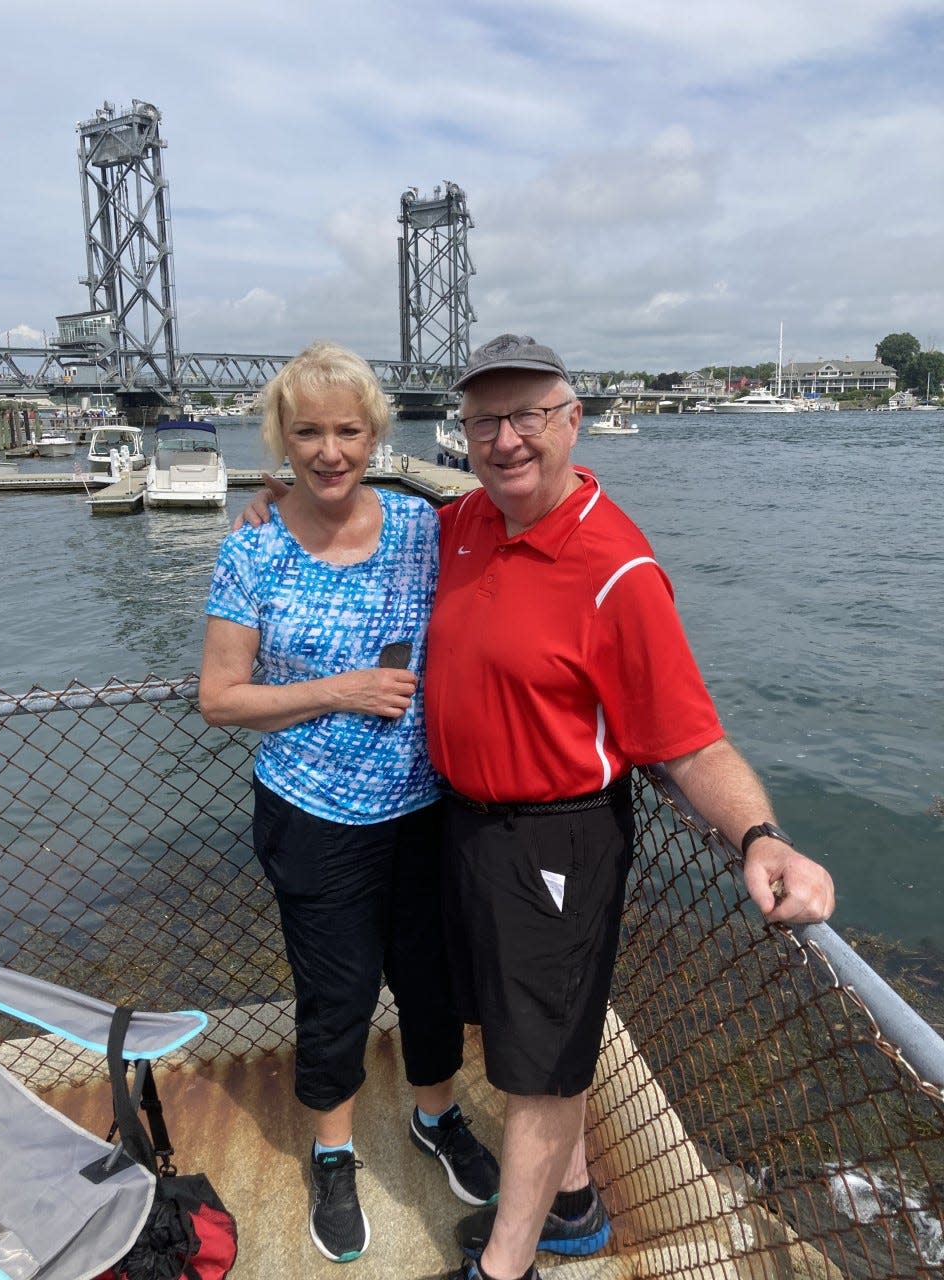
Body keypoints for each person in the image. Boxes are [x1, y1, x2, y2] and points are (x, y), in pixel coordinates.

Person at [238, 333, 836, 1280]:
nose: (507, 439)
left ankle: (510, 1261)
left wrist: (761, 836)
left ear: (571, 423)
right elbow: (345, 509)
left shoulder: (618, 568)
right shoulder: (466, 523)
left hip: (555, 833)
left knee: (540, 1063)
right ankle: (573, 1195)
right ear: (462, 434)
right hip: (460, 820)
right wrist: (285, 500)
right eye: (485, 421)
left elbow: (686, 737)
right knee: (528, 1025)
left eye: (528, 417)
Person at [198, 341, 498, 1265]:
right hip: (312, 815)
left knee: (430, 980)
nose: (330, 450)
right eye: (309, 432)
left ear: (377, 433)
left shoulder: (421, 526)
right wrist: (341, 689)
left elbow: (524, 505)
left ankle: (433, 1118)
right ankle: (333, 1153)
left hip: (423, 808)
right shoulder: (251, 546)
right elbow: (219, 697)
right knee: (335, 995)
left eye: (349, 430)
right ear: (280, 439)